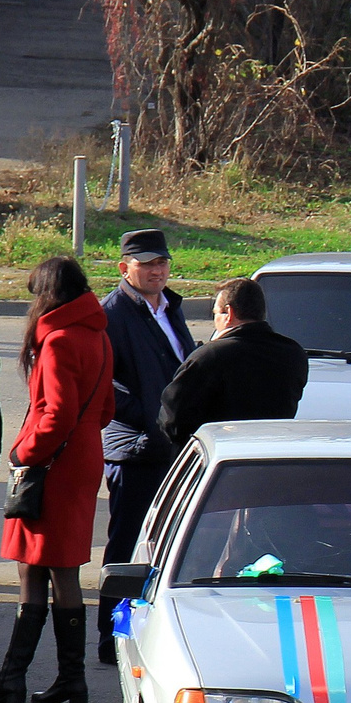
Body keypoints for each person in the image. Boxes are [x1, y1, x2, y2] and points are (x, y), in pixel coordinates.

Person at [0, 256, 114, 703]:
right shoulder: (98, 335)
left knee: (32, 569)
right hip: (83, 458)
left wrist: (24, 452)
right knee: (62, 570)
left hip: (53, 464)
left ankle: (12, 680)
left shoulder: (59, 341)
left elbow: (56, 413)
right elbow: (104, 410)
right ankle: (71, 680)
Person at [96, 228, 197, 665]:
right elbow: (107, 387)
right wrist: (154, 423)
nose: (157, 271)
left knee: (163, 546)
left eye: (162, 263)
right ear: (125, 268)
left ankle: (145, 635)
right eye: (147, 264)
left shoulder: (169, 306)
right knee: (126, 547)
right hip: (135, 448)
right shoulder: (112, 314)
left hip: (170, 445)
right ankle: (109, 638)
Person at [158, 277, 310, 449]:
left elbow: (173, 421)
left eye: (215, 314)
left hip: (221, 458)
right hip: (271, 454)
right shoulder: (293, 353)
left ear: (228, 313)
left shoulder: (210, 356)